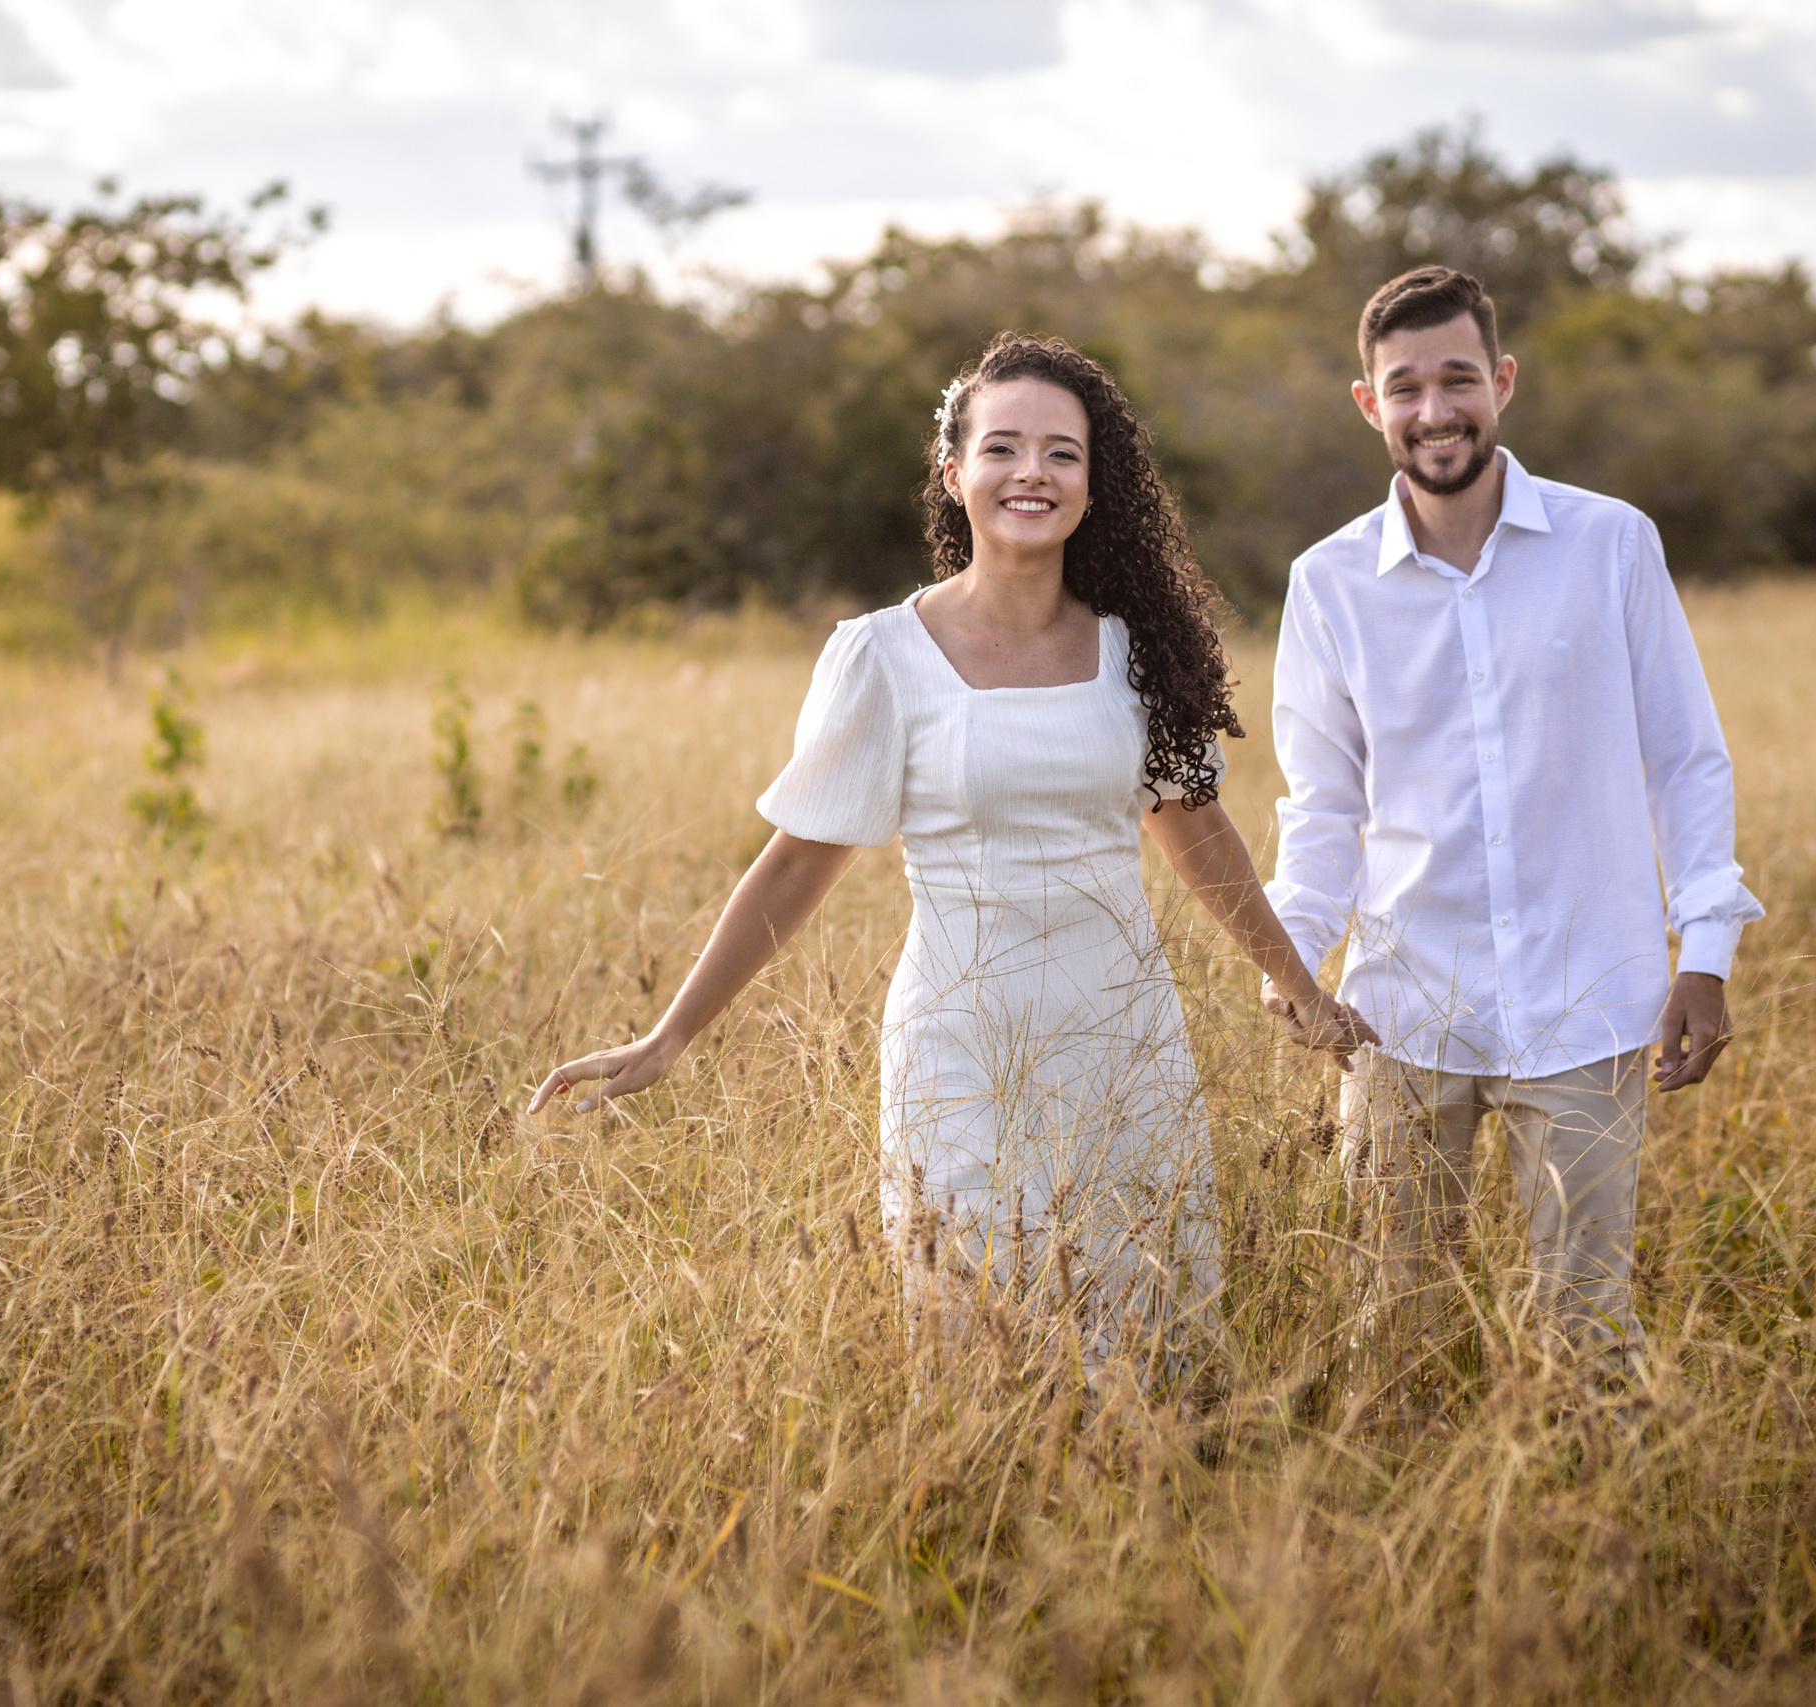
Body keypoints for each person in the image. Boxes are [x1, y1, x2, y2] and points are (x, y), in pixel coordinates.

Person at [533, 333, 1369, 1371]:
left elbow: (1194, 829)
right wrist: (665, 1041)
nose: (1032, 473)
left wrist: (1299, 986)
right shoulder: (883, 654)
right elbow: (796, 863)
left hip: (1123, 1043)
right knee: (976, 1336)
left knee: (1142, 1338)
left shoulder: (1137, 649)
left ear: (1095, 480)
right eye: (1003, 448)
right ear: (952, 470)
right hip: (958, 1048)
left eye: (1062, 453)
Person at [1262, 266, 1763, 1384]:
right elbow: (1323, 803)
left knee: (1586, 1326)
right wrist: (1293, 957)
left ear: (1502, 382)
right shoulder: (1327, 582)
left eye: (1455, 379)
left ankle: (1606, 1543)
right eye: (1405, 387)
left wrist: (1707, 956)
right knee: (1390, 1330)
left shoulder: (1611, 544)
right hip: (1398, 1014)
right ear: (1367, 404)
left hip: (1588, 999)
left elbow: (1682, 761)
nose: (1433, 410)